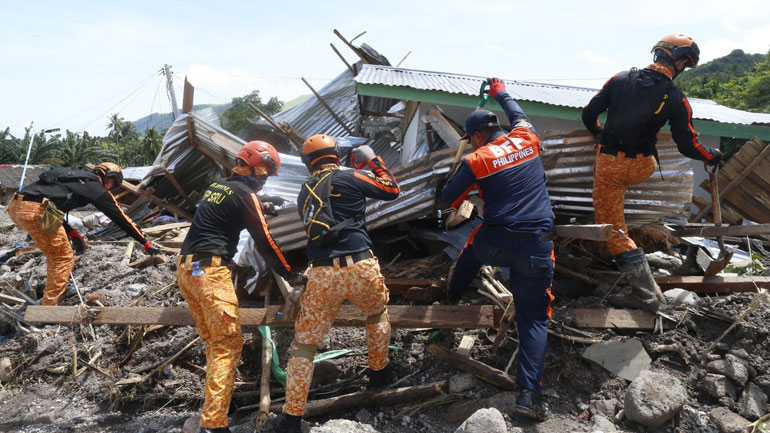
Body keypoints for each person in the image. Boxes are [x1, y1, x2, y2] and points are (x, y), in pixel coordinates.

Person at [582, 34, 722, 311]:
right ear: (681, 62)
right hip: (644, 166)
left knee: (613, 230)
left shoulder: (619, 79)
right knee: (616, 206)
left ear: (657, 54)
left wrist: (599, 133)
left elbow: (589, 114)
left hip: (611, 166)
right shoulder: (675, 97)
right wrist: (712, 155)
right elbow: (688, 144)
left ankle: (645, 295)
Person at [441, 78, 554, 421]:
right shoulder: (527, 137)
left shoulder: (476, 160)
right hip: (537, 244)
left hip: (498, 243)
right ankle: (528, 395)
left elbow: (448, 200)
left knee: (474, 247)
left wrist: (459, 180)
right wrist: (499, 92)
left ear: (476, 137)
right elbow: (517, 112)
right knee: (534, 317)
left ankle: (451, 296)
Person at [274, 134, 400, 433]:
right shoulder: (352, 177)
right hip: (360, 267)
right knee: (376, 315)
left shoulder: (305, 191)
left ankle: (292, 417)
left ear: (307, 163)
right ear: (336, 156)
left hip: (322, 274)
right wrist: (372, 160)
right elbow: (392, 189)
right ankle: (380, 372)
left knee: (305, 346)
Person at [176, 141, 293, 433]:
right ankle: (214, 425)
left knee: (216, 344)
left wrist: (262, 206)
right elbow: (264, 241)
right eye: (264, 169)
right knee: (227, 345)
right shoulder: (245, 193)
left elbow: (226, 212)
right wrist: (291, 274)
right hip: (211, 274)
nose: (265, 176)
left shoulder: (219, 186)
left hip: (187, 270)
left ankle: (216, 407)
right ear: (251, 165)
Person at [6, 162, 160, 305]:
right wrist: (145, 242)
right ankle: (50, 307)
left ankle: (52, 291)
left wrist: (73, 234)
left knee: (54, 252)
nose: (110, 188)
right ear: (108, 177)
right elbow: (121, 218)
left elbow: (53, 210)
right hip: (35, 210)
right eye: (113, 183)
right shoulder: (94, 186)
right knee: (62, 256)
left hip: (16, 206)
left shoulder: (74, 178)